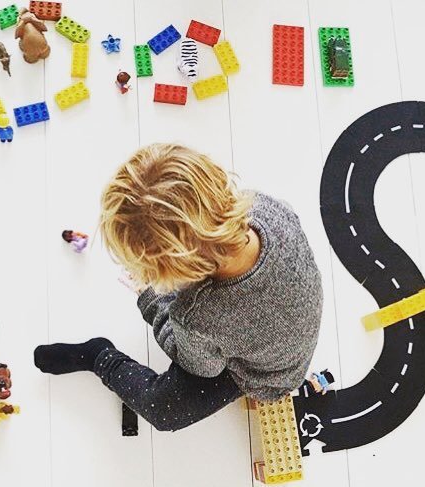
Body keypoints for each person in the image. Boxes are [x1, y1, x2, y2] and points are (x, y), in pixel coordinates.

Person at [34, 143, 323, 431]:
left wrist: (149, 297)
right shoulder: (265, 206)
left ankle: (98, 356)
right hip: (294, 335)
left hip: (265, 377)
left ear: (167, 273)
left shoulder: (195, 315)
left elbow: (202, 368)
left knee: (163, 411)